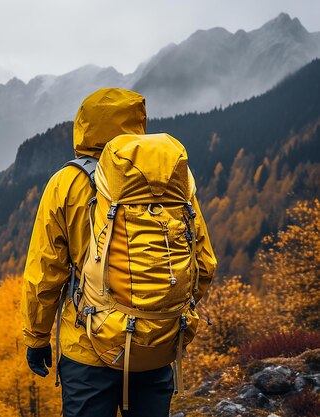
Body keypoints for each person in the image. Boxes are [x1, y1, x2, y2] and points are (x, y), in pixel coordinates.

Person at [21, 88, 217, 417]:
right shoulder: (173, 180)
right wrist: (162, 312)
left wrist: (37, 337)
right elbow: (203, 263)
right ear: (138, 125)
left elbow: (45, 272)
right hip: (154, 345)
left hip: (87, 348)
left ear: (84, 126)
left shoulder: (66, 182)